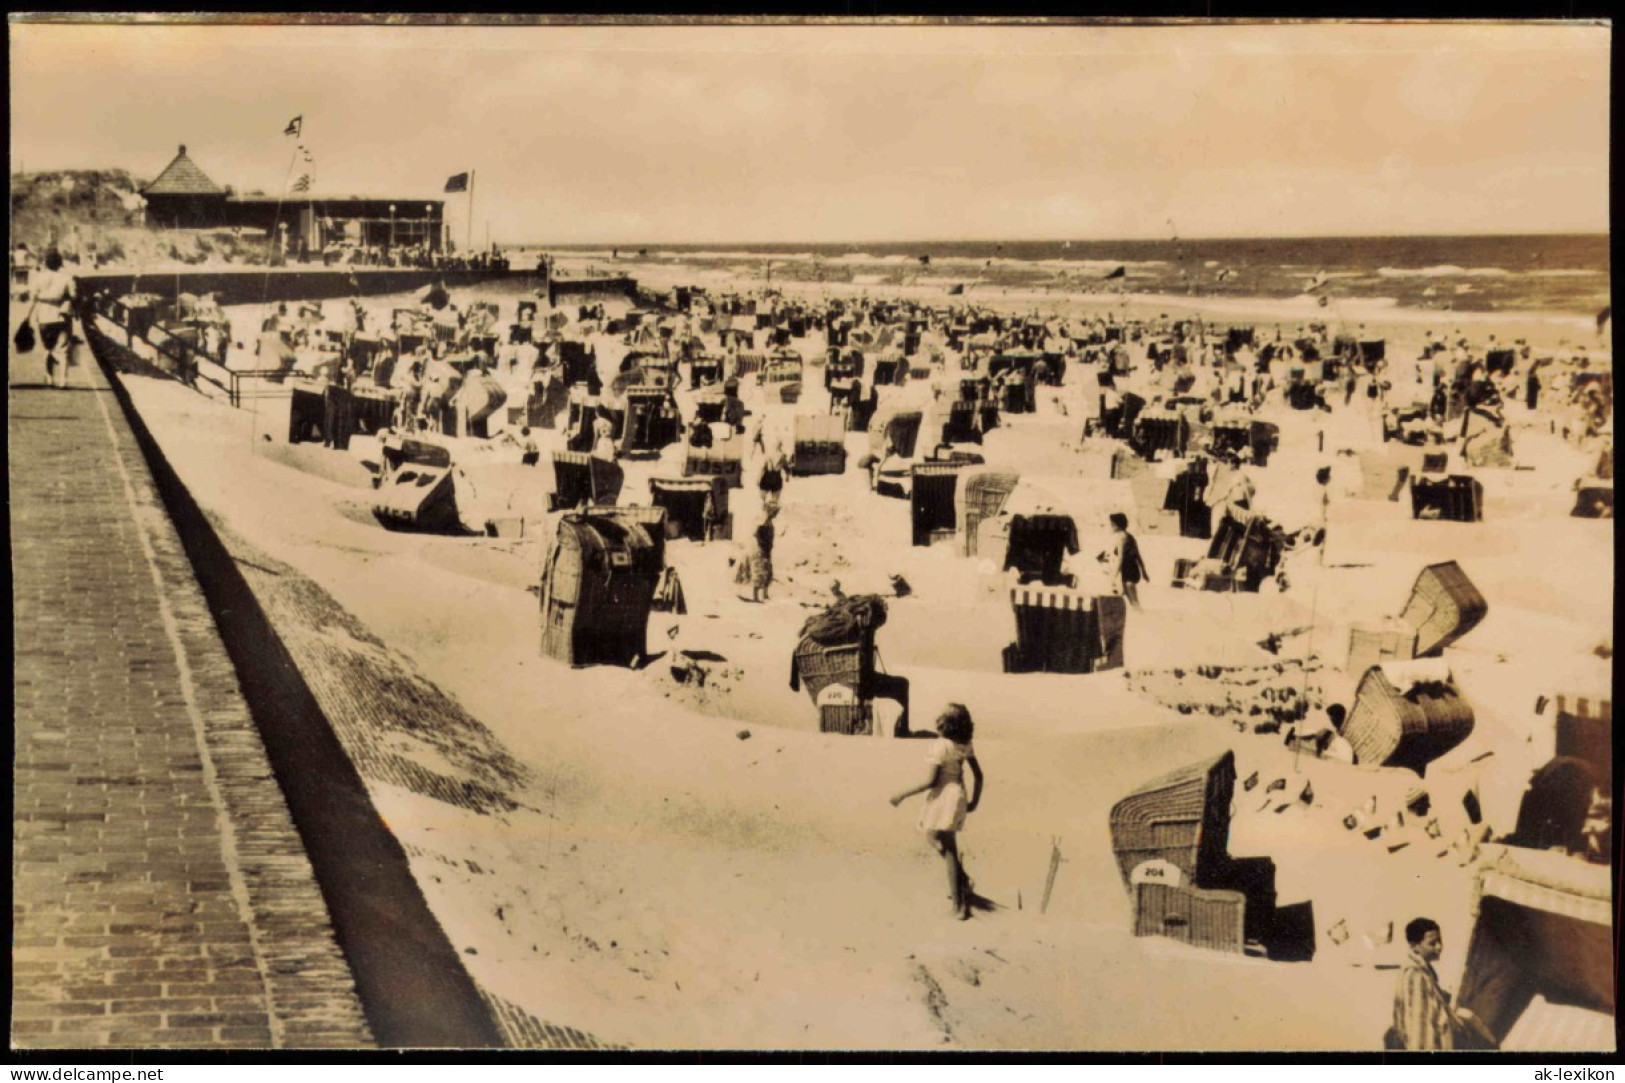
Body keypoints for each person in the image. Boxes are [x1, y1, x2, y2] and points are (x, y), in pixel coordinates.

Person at [891, 704, 985, 921]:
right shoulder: (965, 744)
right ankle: (962, 879)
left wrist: (902, 795)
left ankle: (958, 906)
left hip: (944, 798)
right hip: (958, 795)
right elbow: (979, 776)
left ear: (947, 723)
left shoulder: (940, 746)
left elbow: (931, 781)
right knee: (933, 836)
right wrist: (974, 803)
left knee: (947, 847)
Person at [1388, 918, 1496, 1050]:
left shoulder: (1421, 973)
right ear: (1414, 946)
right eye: (1432, 943)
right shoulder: (1416, 976)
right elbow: (1421, 1030)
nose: (1439, 947)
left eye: (1439, 941)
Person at [27, 250, 78, 389]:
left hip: (43, 316)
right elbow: (74, 295)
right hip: (61, 316)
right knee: (62, 350)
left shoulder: (38, 277)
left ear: (46, 263)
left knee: (47, 349)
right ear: (59, 263)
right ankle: (63, 380)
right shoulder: (66, 277)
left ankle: (49, 377)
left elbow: (33, 297)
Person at [1102, 512, 1149, 608]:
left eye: (1112, 524)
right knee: (1132, 600)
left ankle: (1141, 617)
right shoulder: (1129, 536)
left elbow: (1120, 558)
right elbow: (1138, 555)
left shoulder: (1121, 537)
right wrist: (1144, 572)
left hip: (1127, 570)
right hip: (1133, 569)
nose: (1111, 526)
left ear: (1118, 525)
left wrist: (1114, 576)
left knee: (1133, 601)